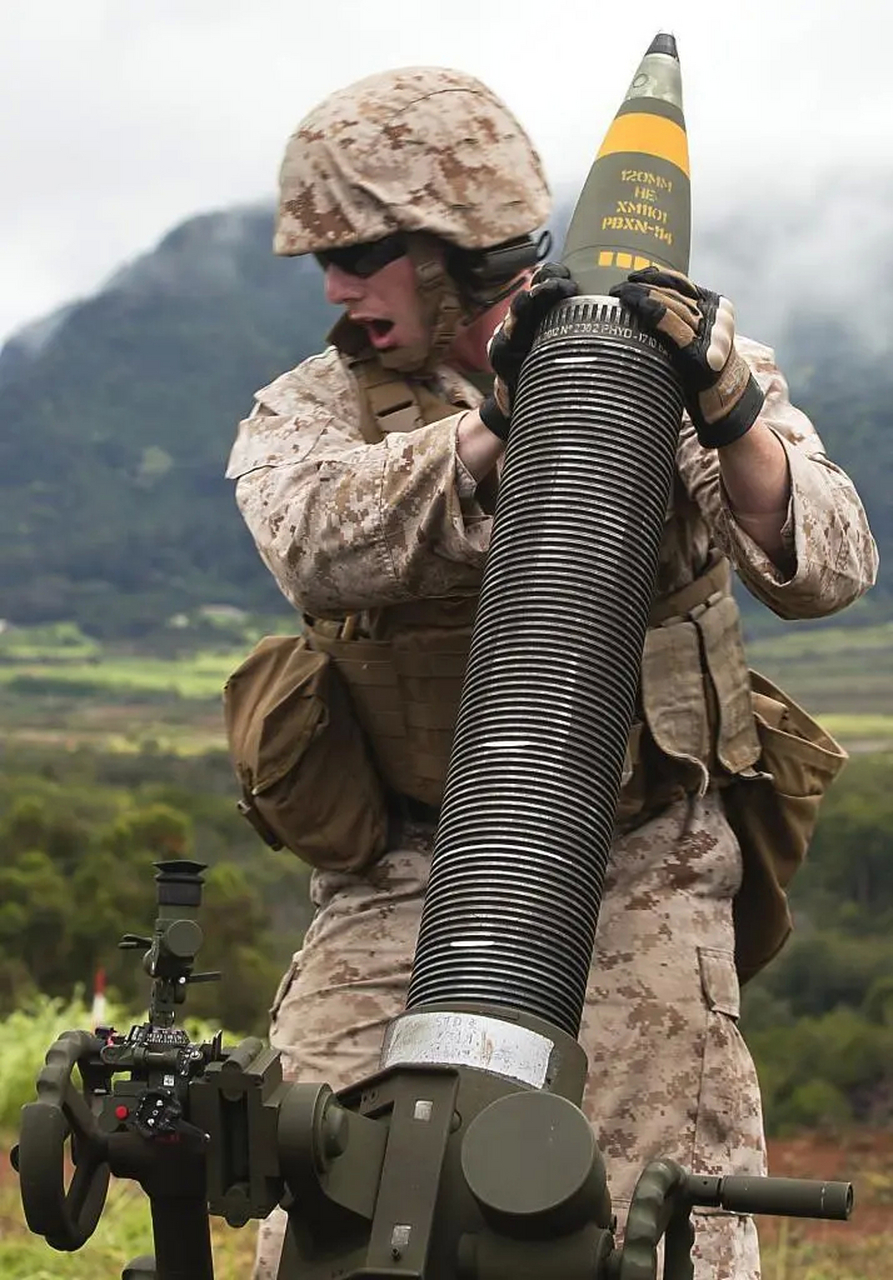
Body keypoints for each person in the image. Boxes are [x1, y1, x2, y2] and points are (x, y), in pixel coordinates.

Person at [225, 66, 878, 1280]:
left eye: (361, 255)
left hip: (640, 861)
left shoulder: (681, 362)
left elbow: (825, 566)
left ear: (452, 247)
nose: (333, 291)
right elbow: (312, 543)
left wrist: (725, 412)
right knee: (329, 1210)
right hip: (404, 873)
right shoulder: (316, 408)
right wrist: (498, 427)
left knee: (656, 1220)